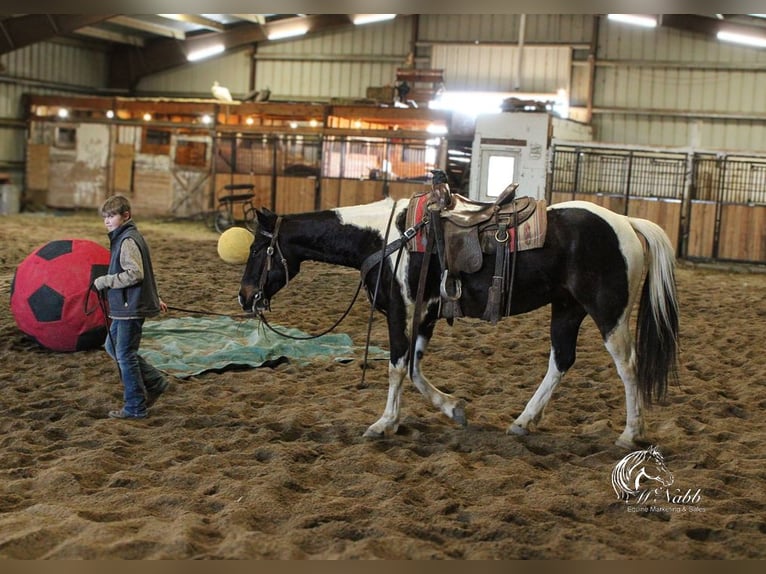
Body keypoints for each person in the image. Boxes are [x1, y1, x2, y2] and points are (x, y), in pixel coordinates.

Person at [93, 195, 169, 419]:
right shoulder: (126, 237)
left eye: (112, 216)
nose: (107, 221)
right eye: (105, 217)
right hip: (125, 307)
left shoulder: (127, 240)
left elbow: (136, 274)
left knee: (125, 354)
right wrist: (154, 297)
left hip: (129, 309)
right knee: (112, 347)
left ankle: (135, 407)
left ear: (126, 215)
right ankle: (155, 382)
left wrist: (105, 281)